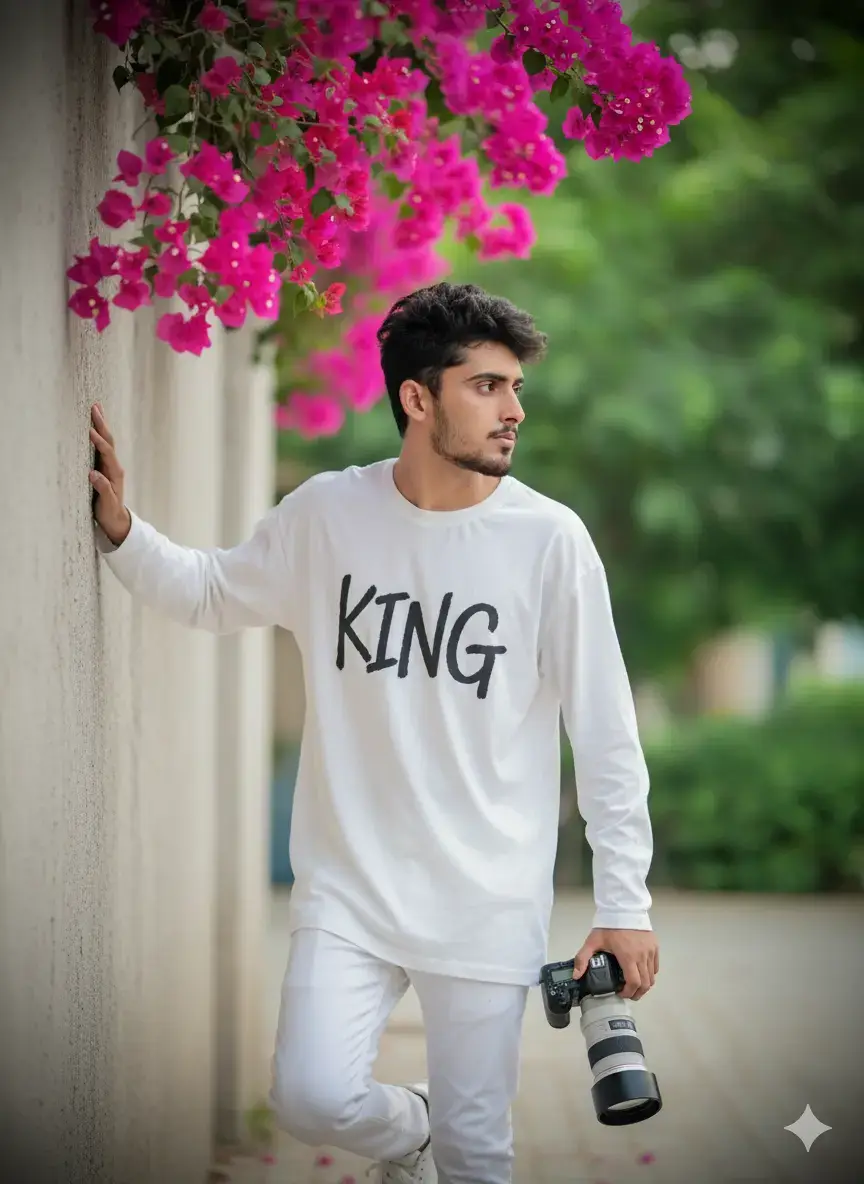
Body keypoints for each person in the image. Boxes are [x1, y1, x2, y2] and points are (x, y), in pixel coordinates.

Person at [89, 281, 659, 1184]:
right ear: (417, 398)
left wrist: (625, 904)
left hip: (486, 900)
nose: (514, 410)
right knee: (310, 1095)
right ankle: (410, 1130)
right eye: (487, 386)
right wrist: (122, 532)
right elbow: (211, 591)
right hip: (350, 890)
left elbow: (606, 736)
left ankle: (448, 1140)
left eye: (516, 389)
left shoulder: (551, 542)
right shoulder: (328, 515)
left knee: (481, 1156)